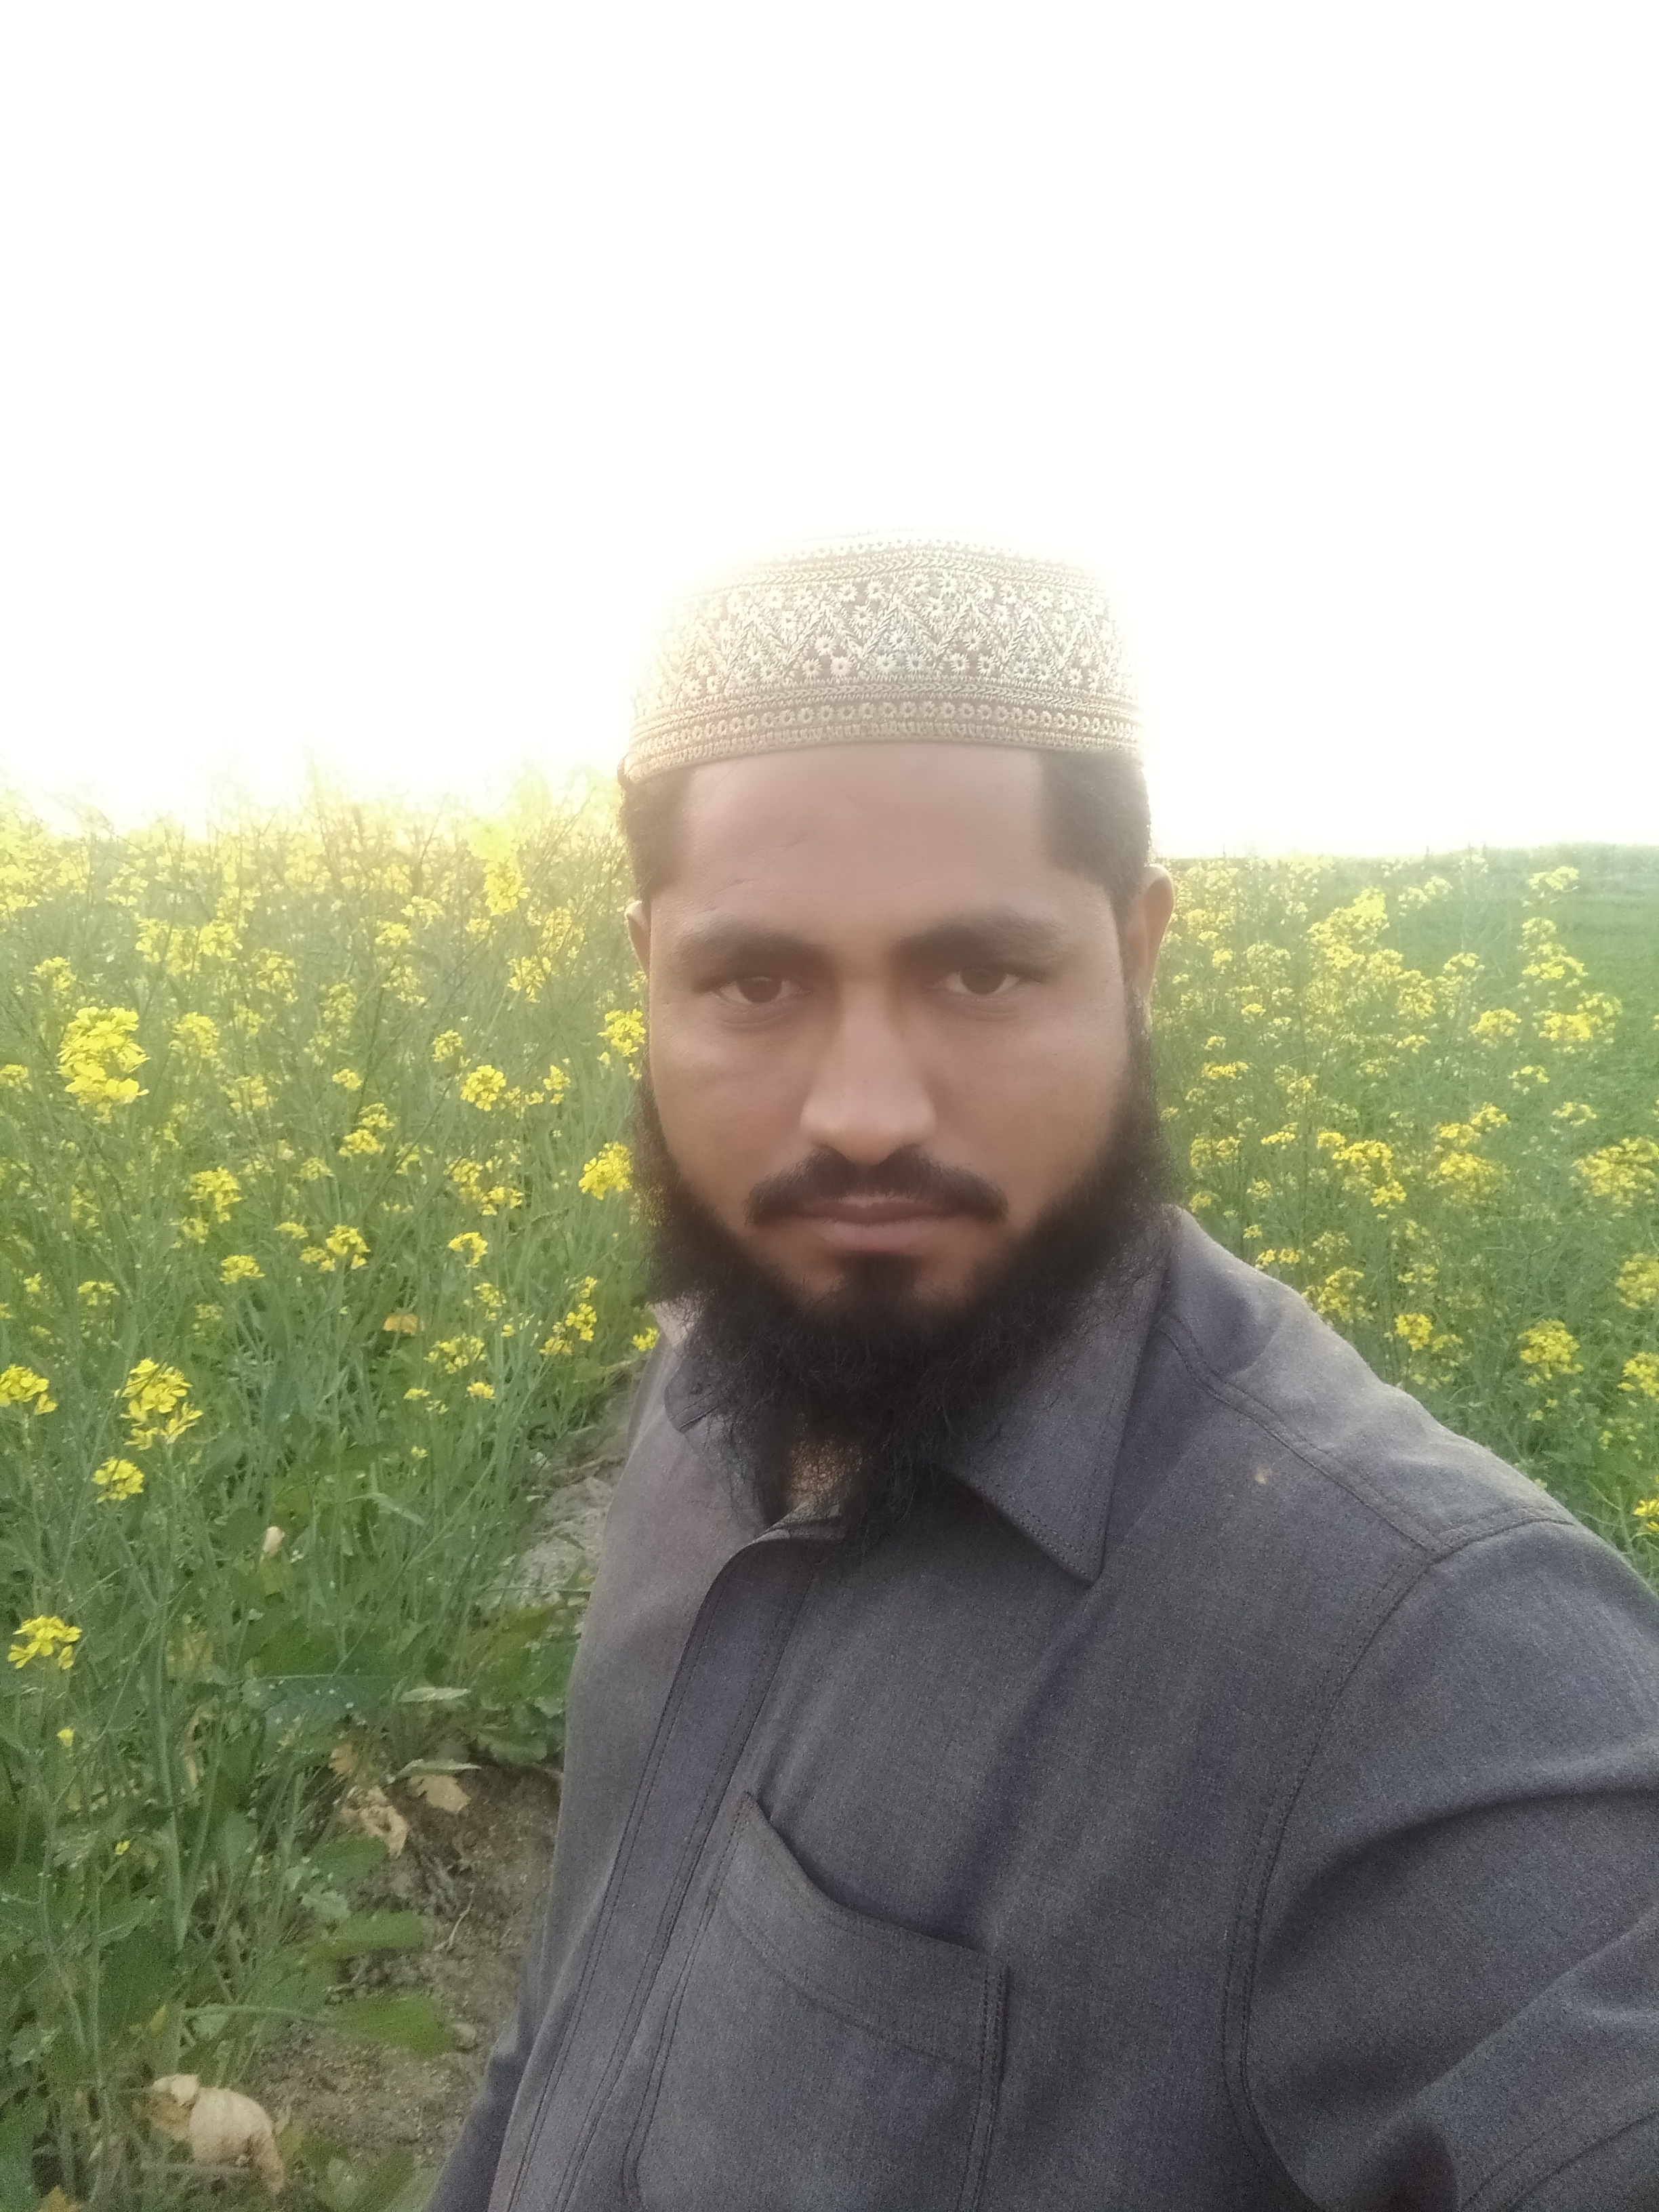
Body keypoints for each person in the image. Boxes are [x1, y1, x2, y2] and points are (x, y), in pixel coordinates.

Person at [430, 540, 1659, 2212]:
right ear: (648, 970)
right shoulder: (698, 1404)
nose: (865, 1111)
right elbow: (566, 2026)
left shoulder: (1425, 1649)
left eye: (982, 974)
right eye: (757, 981)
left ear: (1139, 957)